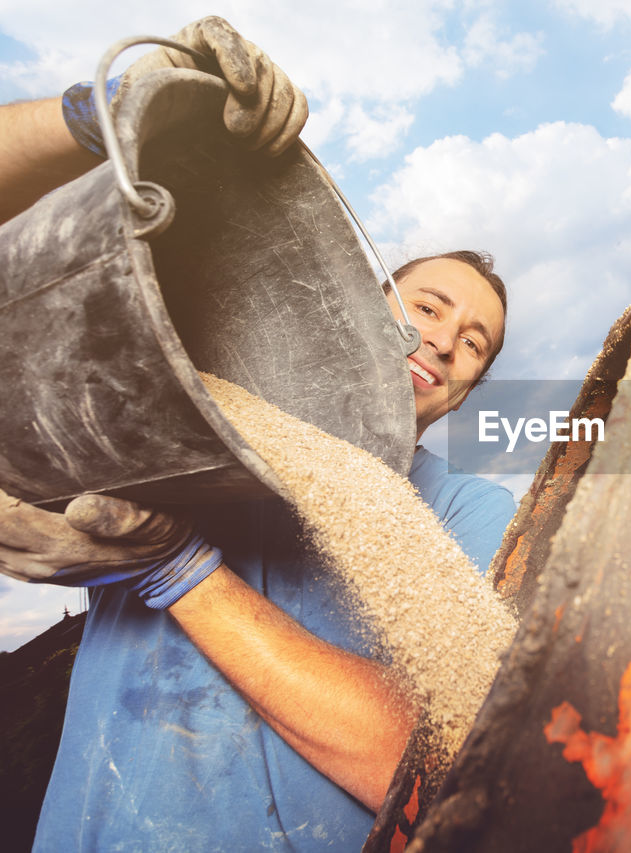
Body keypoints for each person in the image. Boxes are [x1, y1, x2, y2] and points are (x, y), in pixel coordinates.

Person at [0, 17, 516, 850]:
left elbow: (439, 762)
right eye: (428, 307)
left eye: (474, 344)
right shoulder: (170, 430)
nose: (444, 342)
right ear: (368, 302)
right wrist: (100, 115)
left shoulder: (462, 509)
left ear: (465, 392)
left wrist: (181, 569)